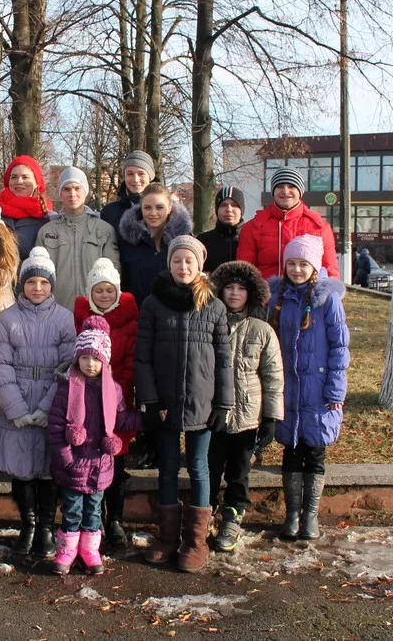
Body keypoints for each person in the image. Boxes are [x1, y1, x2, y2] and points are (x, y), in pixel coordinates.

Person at [135, 235, 233, 573]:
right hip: (163, 402)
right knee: (166, 467)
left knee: (199, 467)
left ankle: (195, 540)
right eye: (177, 260)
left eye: (189, 261)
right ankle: (166, 537)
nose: (183, 266)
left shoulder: (215, 307)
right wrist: (148, 399)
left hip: (202, 403)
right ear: (170, 264)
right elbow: (143, 357)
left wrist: (224, 402)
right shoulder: (153, 304)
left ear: (199, 265)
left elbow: (223, 359)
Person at [0, 247, 76, 559]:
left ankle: (45, 526)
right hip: (17, 398)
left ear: (51, 284)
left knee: (47, 469)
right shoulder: (8, 318)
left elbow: (68, 366)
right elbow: (2, 364)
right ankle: (26, 525)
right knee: (22, 469)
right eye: (31, 282)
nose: (37, 287)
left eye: (43, 282)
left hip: (50, 400)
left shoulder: (64, 318)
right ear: (22, 285)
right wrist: (15, 407)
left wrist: (47, 407)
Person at [268, 235, 349, 541]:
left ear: (314, 267)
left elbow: (340, 348)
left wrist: (335, 391)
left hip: (318, 391)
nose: (297, 270)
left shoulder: (328, 300)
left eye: (303, 264)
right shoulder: (277, 300)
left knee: (314, 452)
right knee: (291, 451)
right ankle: (291, 514)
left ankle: (310, 515)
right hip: (289, 389)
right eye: (292, 263)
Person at [47, 316, 141, 575]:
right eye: (86, 358)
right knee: (72, 511)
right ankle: (66, 550)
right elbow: (55, 428)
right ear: (77, 358)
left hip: (100, 465)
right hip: (74, 466)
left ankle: (90, 550)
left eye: (97, 359)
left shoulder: (114, 390)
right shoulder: (67, 389)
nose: (90, 364)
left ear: (105, 361)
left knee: (94, 512)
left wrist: (146, 418)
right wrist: (67, 458)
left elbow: (121, 418)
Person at [207, 261, 284, 551]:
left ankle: (233, 516)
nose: (235, 293)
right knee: (209, 469)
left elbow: (273, 376)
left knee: (239, 472)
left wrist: (271, 417)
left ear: (250, 293)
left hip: (247, 417)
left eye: (241, 288)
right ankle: (206, 514)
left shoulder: (262, 330)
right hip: (212, 414)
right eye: (229, 287)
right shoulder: (209, 322)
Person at [72, 258, 139, 549]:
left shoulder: (129, 319)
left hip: (118, 402)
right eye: (98, 290)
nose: (104, 295)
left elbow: (129, 362)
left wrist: (114, 391)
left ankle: (116, 519)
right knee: (90, 462)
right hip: (86, 400)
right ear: (90, 292)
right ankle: (93, 519)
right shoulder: (79, 317)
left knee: (116, 459)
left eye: (109, 290)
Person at [35, 167, 120, 310]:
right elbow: (38, 274)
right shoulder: (47, 231)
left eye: (77, 188)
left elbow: (114, 273)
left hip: (95, 310)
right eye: (66, 189)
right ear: (60, 193)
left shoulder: (104, 230)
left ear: (85, 191)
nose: (72, 194)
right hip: (56, 311)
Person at [238, 167, 340, 280]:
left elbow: (329, 270)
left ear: (300, 191)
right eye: (280, 187)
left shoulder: (319, 227)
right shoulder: (253, 227)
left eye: (291, 186)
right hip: (266, 295)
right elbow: (244, 272)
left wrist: (326, 295)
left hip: (305, 296)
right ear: (273, 191)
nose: (285, 191)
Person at [117, 182, 192, 306]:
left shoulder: (184, 242)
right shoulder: (128, 241)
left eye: (159, 207)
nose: (153, 213)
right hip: (137, 316)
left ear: (169, 208)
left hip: (172, 315)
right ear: (141, 208)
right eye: (147, 207)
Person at [0, 155, 53, 260]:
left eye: (25, 177)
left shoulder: (48, 219)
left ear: (36, 183)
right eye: (14, 177)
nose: (19, 181)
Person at [101, 150, 156, 233]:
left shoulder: (166, 210)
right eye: (130, 174)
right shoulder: (109, 212)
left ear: (150, 177)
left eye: (141, 174)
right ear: (124, 177)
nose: (135, 179)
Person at [197, 185, 246, 273]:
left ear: (241, 210)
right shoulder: (202, 241)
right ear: (217, 209)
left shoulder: (252, 239)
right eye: (223, 205)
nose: (229, 209)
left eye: (234, 205)